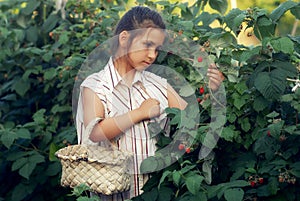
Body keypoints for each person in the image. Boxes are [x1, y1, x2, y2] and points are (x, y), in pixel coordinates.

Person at [75, 6, 224, 200]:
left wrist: (213, 92)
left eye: (156, 49)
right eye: (147, 45)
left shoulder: (159, 85)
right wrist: (139, 113)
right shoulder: (94, 86)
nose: (152, 55)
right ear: (124, 38)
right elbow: (95, 132)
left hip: (156, 193)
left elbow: (191, 123)